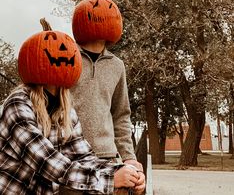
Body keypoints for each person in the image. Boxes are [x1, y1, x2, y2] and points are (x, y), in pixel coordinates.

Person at [0, 29, 145, 194]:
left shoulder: (65, 110)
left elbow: (83, 157)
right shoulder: (18, 104)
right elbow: (47, 163)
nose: (62, 51)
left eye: (67, 49)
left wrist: (124, 171)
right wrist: (110, 179)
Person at [70, 0, 145, 192]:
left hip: (107, 156)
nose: (101, 14)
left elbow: (121, 114)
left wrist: (129, 157)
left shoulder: (117, 65)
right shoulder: (65, 59)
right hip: (72, 156)